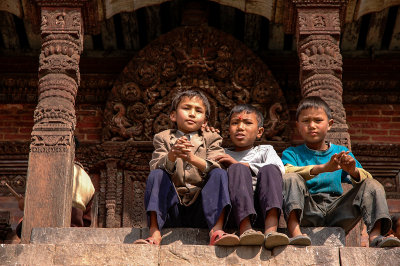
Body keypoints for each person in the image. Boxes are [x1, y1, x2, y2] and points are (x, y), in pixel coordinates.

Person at [281, 96, 400, 247]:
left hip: (338, 210)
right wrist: (324, 168)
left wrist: (352, 170)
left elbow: (367, 178)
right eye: (306, 121)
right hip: (307, 209)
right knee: (290, 178)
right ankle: (295, 233)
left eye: (318, 120)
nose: (312, 125)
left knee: (372, 184)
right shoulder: (291, 153)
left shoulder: (340, 152)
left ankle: (375, 236)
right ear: (298, 126)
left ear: (329, 124)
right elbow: (285, 172)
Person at [134, 90, 238, 246]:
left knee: (219, 173)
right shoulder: (162, 137)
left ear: (205, 122)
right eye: (186, 108)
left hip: (202, 208)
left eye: (198, 110)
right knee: (157, 174)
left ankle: (216, 231)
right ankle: (155, 234)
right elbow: (155, 164)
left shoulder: (212, 137)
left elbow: (217, 163)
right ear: (173, 116)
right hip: (172, 208)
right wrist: (171, 155)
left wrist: (192, 159)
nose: (192, 114)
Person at [213, 104, 289, 249]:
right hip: (234, 210)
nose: (240, 127)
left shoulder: (265, 150)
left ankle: (271, 230)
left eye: (247, 123)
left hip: (262, 207)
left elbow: (280, 169)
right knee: (237, 169)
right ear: (228, 130)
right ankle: (245, 228)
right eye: (235, 123)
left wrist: (237, 164)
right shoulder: (221, 153)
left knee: (270, 169)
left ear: (259, 132)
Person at [15, 137, 95, 237]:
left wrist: (26, 205)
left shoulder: (52, 172)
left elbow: (41, 205)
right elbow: (87, 221)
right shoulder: (86, 179)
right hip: (75, 234)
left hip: (48, 229)